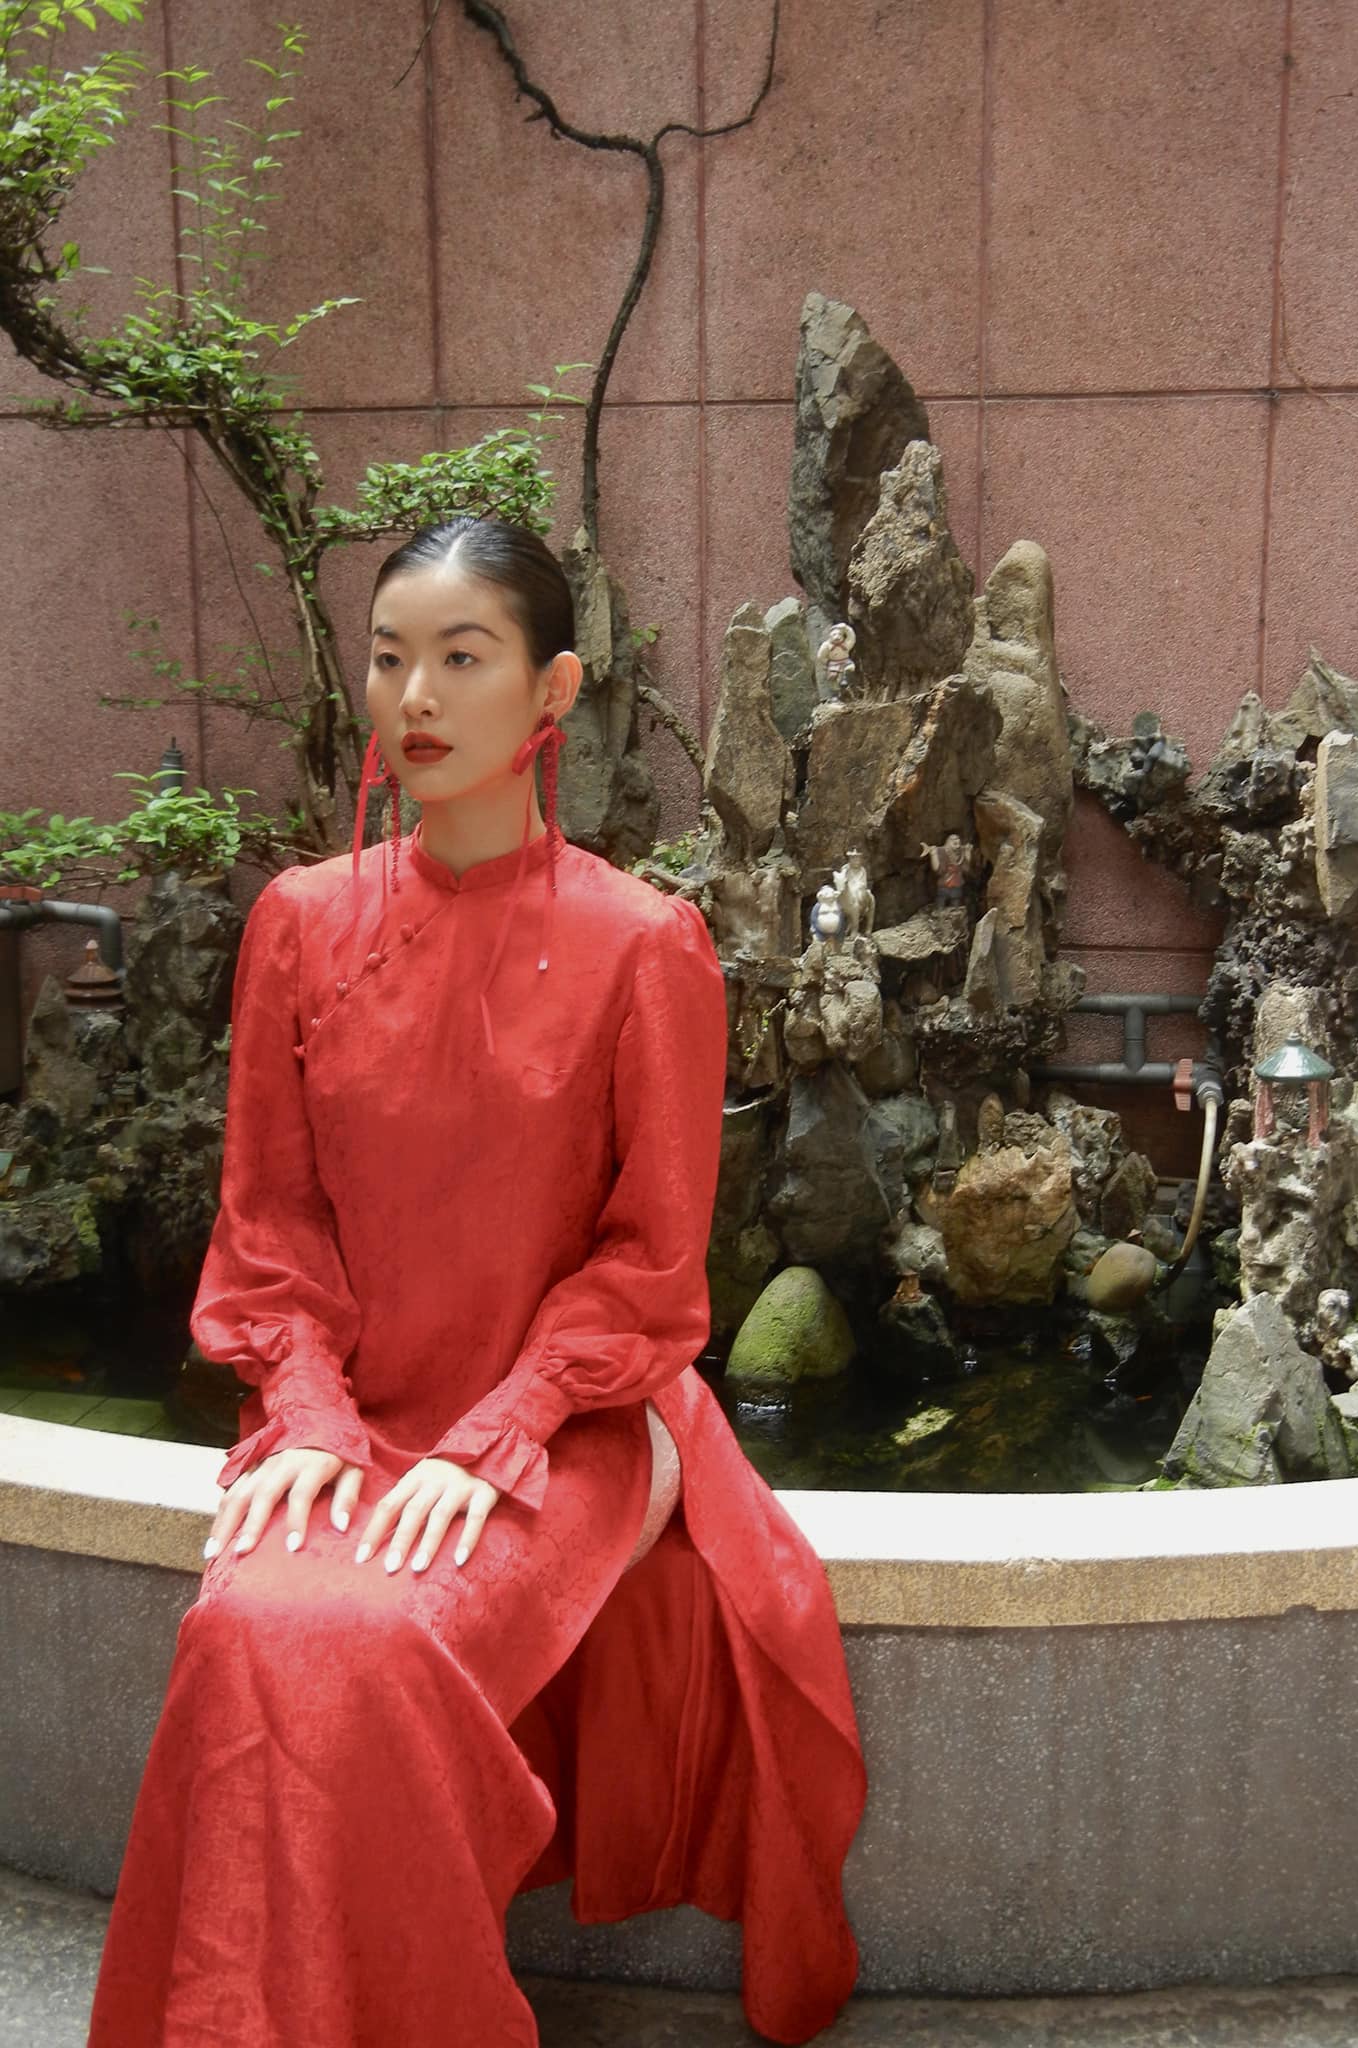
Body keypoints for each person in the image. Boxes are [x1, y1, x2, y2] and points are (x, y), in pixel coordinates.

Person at [86, 517, 867, 2047]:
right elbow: (268, 1230)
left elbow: (652, 1272)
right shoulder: (298, 926)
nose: (415, 697)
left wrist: (508, 1423)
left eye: (462, 657)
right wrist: (304, 1409)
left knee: (368, 1639)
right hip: (348, 1415)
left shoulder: (648, 946)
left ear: (553, 691)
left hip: (571, 1425)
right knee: (254, 1627)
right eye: (390, 658)